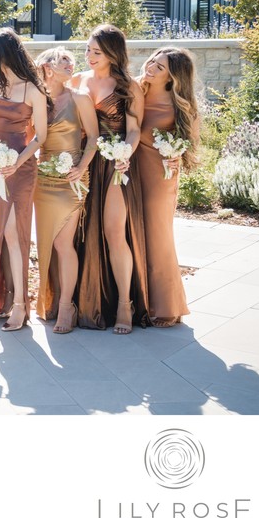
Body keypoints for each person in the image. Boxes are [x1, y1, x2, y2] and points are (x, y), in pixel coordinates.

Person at [72, 24, 149, 334]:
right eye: (88, 49)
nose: (90, 56)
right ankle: (83, 301)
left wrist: (125, 154)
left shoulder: (128, 86)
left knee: (114, 232)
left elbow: (133, 130)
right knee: (80, 231)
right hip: (83, 163)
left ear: (113, 54)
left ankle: (124, 304)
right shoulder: (78, 79)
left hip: (116, 166)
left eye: (97, 52)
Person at [0, 28, 48, 332]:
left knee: (16, 233)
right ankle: (4, 300)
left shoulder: (33, 89)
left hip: (20, 168)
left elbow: (40, 138)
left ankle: (21, 305)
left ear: (3, 53)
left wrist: (15, 162)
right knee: (2, 233)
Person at [32, 47, 98, 333]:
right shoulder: (38, 99)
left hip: (72, 177)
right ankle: (52, 299)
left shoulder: (80, 98)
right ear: (47, 67)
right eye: (63, 61)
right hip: (43, 178)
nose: (70, 65)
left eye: (72, 60)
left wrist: (82, 167)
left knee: (63, 243)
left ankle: (67, 305)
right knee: (46, 244)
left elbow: (94, 137)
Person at [133, 47, 199, 326]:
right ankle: (138, 302)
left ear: (173, 78)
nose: (151, 67)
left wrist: (177, 154)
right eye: (152, 61)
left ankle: (168, 306)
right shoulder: (136, 89)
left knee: (158, 238)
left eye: (160, 67)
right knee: (132, 234)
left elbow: (190, 142)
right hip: (129, 171)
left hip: (160, 177)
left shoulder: (180, 104)